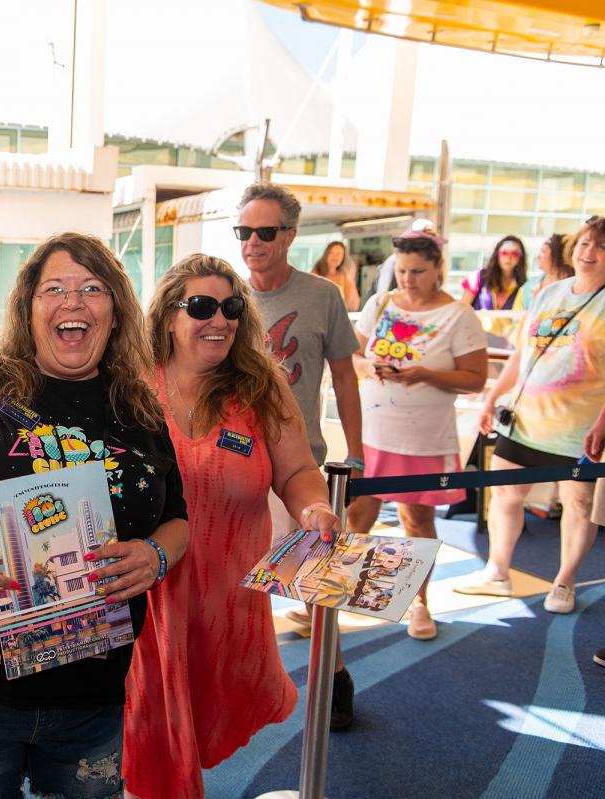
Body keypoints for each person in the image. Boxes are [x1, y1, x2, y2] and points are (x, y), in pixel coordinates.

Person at [0, 232, 190, 799]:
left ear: (115, 312)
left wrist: (156, 556)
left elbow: (177, 518)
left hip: (92, 691)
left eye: (92, 288)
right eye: (55, 289)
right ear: (28, 308)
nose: (73, 301)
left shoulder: (138, 408)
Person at [123, 254, 341, 799]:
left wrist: (314, 508)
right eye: (201, 306)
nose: (219, 320)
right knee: (144, 733)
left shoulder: (261, 388)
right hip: (146, 599)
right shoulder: (128, 387)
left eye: (232, 307)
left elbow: (297, 471)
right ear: (168, 317)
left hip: (228, 605)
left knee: (204, 719)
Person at [237, 183, 364, 728]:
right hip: (233, 466)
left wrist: (356, 452)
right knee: (232, 585)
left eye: (265, 232)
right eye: (244, 232)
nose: (253, 242)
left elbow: (345, 377)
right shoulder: (225, 298)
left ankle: (334, 676)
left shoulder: (322, 296)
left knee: (316, 582)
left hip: (299, 467)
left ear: (289, 235)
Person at [456, 216, 605, 614]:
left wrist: (603, 424)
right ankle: (497, 571)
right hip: (523, 420)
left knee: (577, 504)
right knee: (505, 493)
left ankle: (564, 581)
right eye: (584, 243)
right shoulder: (550, 293)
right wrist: (492, 398)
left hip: (579, 428)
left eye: (601, 246)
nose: (589, 252)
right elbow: (523, 353)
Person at [346, 229, 488, 640]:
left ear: (438, 268)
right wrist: (369, 367)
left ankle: (420, 602)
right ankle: (337, 595)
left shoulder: (458, 315)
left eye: (418, 271)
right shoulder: (381, 303)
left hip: (422, 438)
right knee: (357, 516)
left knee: (417, 521)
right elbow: (352, 356)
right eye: (402, 271)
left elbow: (475, 378)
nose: (408, 280)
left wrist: (425, 374)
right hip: (372, 431)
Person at [460, 235, 527, 310]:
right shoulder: (478, 277)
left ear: (521, 257)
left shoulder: (524, 286)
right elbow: (462, 309)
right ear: (497, 254)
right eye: (504, 253)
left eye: (514, 254)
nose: (508, 258)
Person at [520, 233, 574, 308]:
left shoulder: (574, 287)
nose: (538, 256)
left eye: (543, 251)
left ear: (559, 256)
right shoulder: (529, 286)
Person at [312, 240, 360, 311]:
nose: (335, 256)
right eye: (331, 253)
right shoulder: (314, 275)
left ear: (343, 257)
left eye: (339, 253)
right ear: (326, 254)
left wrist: (351, 279)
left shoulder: (344, 276)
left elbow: (354, 307)